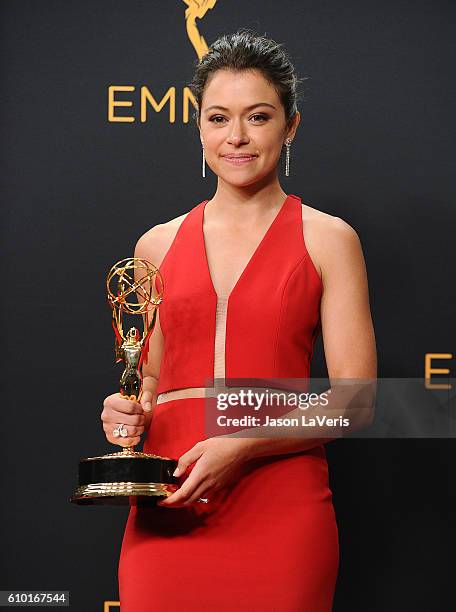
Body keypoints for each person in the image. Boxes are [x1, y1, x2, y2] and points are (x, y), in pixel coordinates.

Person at [101, 29, 377, 611]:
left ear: (290, 126)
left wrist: (244, 442)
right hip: (170, 498)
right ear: (199, 127)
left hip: (281, 502)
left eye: (258, 116)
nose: (237, 137)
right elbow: (148, 380)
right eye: (219, 118)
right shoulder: (154, 245)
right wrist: (129, 411)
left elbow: (358, 401)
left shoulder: (328, 239)